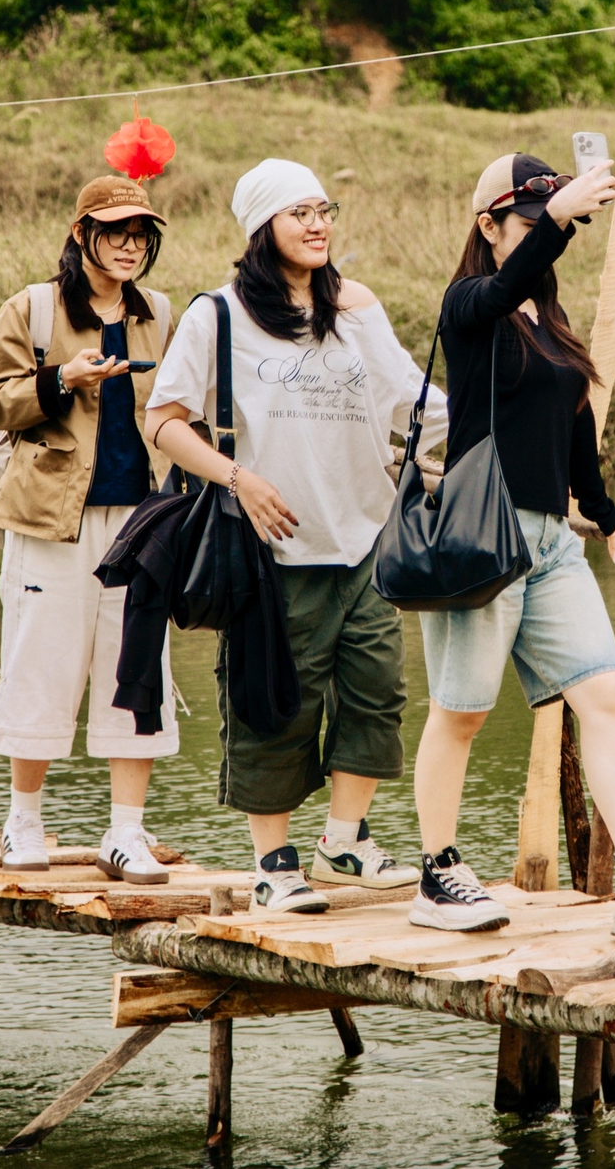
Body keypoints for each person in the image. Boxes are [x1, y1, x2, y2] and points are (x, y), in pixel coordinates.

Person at [411, 153, 615, 938]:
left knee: (602, 695)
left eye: (552, 227)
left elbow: (574, 422)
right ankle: (438, 873)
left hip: (552, 542)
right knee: (462, 714)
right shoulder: (471, 307)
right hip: (483, 539)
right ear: (489, 227)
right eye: (529, 224)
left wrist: (604, 508)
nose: (549, 242)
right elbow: (503, 284)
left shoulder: (544, 322)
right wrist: (555, 222)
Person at [147, 159, 448, 913]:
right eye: (298, 213)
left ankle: (343, 842)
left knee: (378, 697)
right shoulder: (217, 316)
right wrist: (237, 479)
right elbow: (164, 421)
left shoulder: (355, 308)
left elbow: (410, 402)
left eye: (324, 210)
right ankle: (273, 865)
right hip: (273, 551)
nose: (317, 225)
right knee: (275, 703)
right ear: (261, 229)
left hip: (369, 541)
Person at [0, 175, 177, 881]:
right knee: (41, 666)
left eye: (140, 233)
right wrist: (61, 379)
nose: (129, 244)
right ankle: (23, 822)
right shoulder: (32, 308)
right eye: (115, 230)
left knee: (137, 671)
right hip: (51, 519)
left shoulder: (162, 313)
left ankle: (126, 832)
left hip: (142, 521)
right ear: (81, 234)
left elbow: (178, 409)